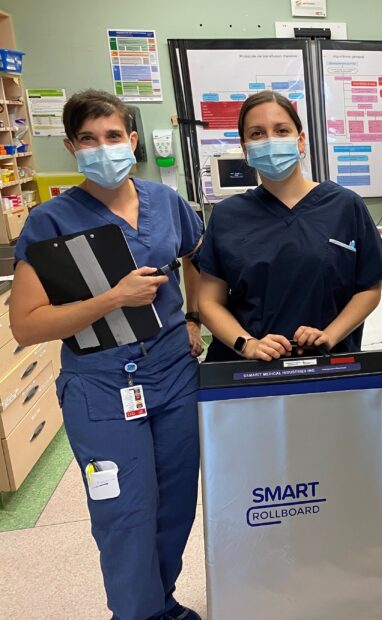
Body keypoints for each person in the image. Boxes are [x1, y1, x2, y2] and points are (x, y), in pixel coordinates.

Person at [9, 90, 204, 620]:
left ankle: (161, 605)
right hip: (101, 386)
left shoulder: (166, 202)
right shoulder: (50, 221)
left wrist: (192, 318)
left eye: (113, 136)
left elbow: (196, 259)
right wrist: (113, 299)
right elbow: (26, 324)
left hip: (173, 375)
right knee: (125, 514)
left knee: (175, 504)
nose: (103, 148)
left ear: (132, 140)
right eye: (88, 139)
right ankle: (137, 614)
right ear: (72, 147)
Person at [197, 90, 382, 362]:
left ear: (300, 141)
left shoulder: (345, 206)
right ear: (245, 148)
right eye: (257, 134)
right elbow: (208, 302)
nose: (270, 140)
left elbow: (369, 288)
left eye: (281, 130)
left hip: (327, 362)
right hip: (249, 368)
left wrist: (330, 335)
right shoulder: (227, 216)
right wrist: (248, 344)